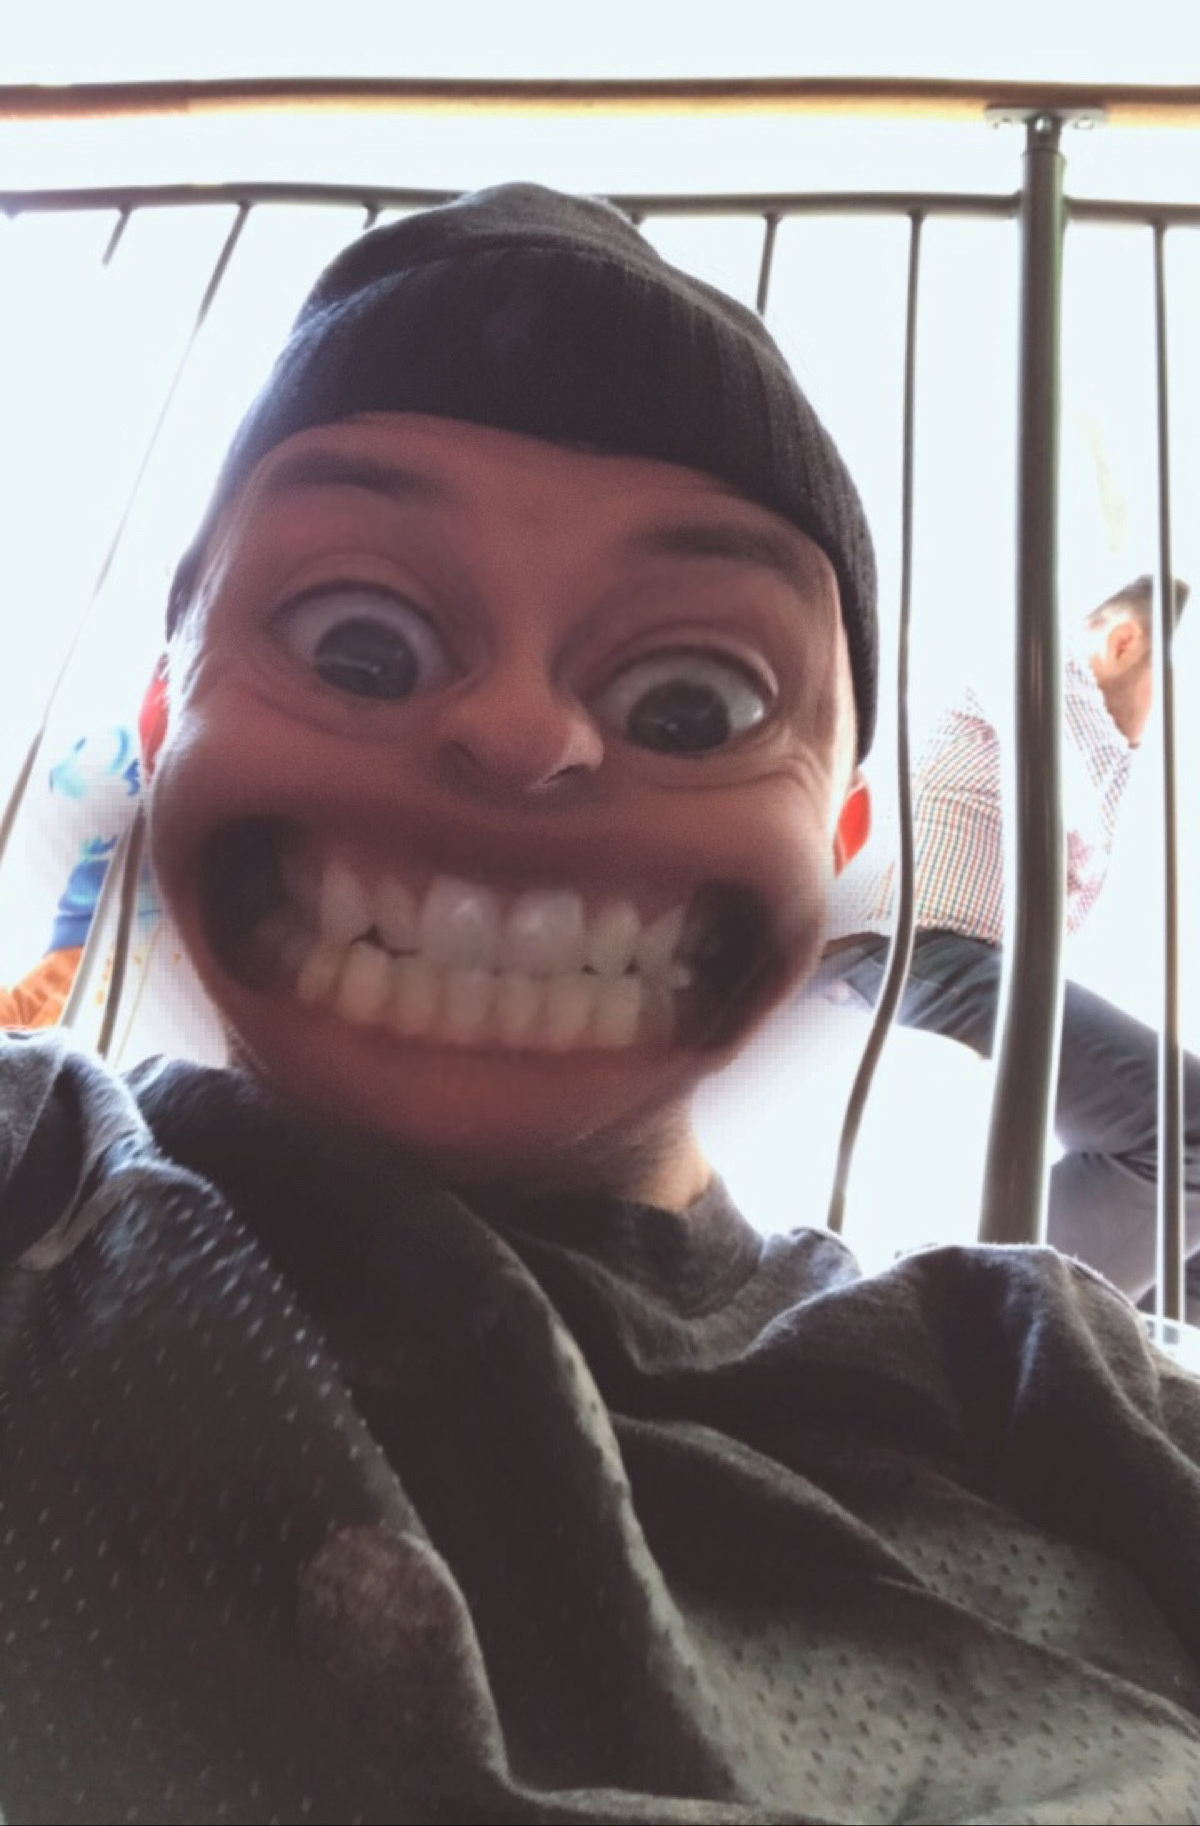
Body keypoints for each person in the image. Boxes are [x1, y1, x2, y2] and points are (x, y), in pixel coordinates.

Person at [1, 185, 1198, 1826]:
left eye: (694, 700)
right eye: (357, 644)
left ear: (840, 829)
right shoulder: (34, 1177)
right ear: (163, 719)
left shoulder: (1051, 1395)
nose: (519, 734)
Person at [822, 575, 1200, 1320]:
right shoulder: (1045, 672)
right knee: (1188, 1128)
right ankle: (980, 1332)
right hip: (904, 950)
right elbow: (1079, 805)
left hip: (948, 962)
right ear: (1124, 641)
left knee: (1182, 1268)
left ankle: (1077, 1346)